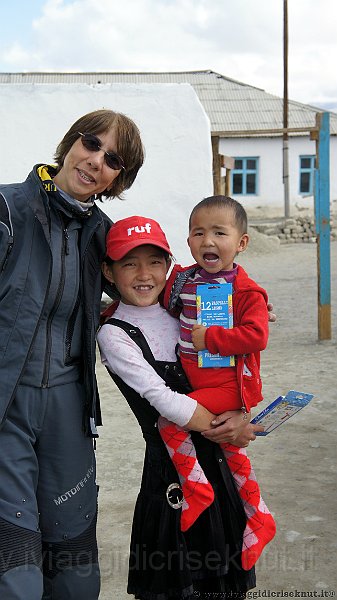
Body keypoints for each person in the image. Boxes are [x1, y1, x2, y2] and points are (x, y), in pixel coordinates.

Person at [0, 109, 144, 600]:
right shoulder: (7, 207)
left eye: (113, 160)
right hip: (6, 409)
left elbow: (148, 290)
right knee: (14, 564)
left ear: (117, 178)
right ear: (70, 142)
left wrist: (230, 303)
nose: (95, 160)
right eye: (91, 143)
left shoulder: (102, 233)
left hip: (69, 407)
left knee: (75, 561)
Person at [98, 214, 265, 600]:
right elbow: (164, 401)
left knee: (225, 586)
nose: (144, 274)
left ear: (169, 267)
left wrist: (240, 411)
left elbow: (229, 359)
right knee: (179, 587)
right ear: (108, 271)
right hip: (172, 484)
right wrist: (232, 428)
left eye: (155, 262)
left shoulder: (183, 312)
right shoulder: (115, 333)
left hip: (219, 473)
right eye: (129, 263)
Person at [159, 195, 276, 570]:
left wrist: (210, 339)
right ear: (189, 240)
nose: (207, 241)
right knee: (231, 449)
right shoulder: (184, 280)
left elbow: (256, 336)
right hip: (202, 379)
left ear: (241, 242)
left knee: (169, 422)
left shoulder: (245, 290)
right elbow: (148, 301)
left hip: (227, 384)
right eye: (198, 232)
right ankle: (258, 516)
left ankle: (196, 489)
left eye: (219, 233)